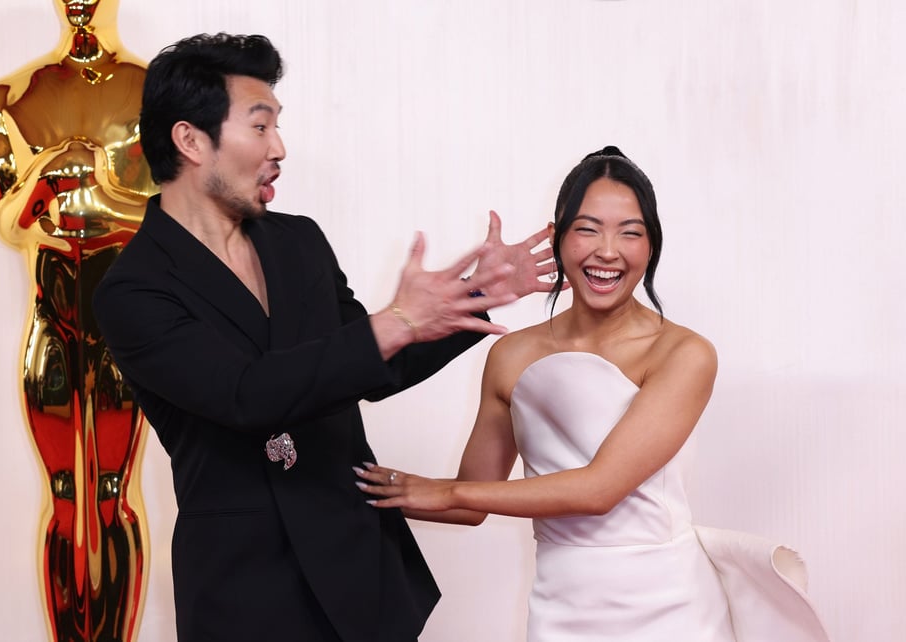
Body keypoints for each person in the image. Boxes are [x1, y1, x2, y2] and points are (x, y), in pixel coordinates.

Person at [92, 32, 558, 642]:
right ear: (190, 140)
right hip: (244, 593)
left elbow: (375, 368)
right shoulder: (133, 289)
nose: (279, 148)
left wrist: (479, 295)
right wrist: (396, 322)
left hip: (363, 572)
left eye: (277, 127)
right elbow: (245, 396)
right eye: (260, 127)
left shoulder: (298, 242)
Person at [357, 147, 831, 641]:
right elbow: (472, 504)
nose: (608, 251)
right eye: (587, 229)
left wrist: (447, 489)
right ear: (559, 237)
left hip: (670, 606)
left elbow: (599, 489)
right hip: (560, 608)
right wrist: (349, 486)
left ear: (651, 247)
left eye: (630, 232)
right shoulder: (510, 355)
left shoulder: (683, 353)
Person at [0, 1, 154, 639]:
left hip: (129, 332)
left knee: (111, 493)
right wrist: (48, 178)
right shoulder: (6, 100)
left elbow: (179, 224)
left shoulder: (153, 91)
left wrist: (98, 194)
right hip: (53, 323)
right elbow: (10, 222)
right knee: (64, 498)